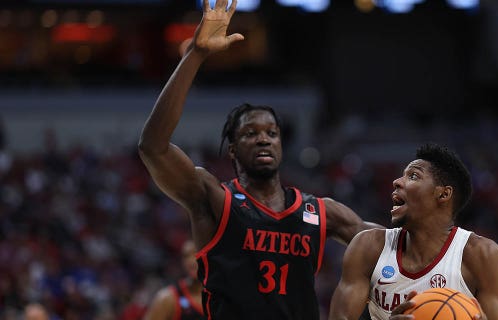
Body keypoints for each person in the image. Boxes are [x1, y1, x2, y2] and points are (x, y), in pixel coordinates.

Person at [137, 0, 380, 319]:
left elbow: (389, 248)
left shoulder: (321, 211)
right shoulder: (214, 198)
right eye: (250, 133)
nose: (263, 137)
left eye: (271, 132)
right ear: (233, 150)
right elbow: (153, 147)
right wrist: (195, 55)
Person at [328, 143, 498, 320]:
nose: (397, 182)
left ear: (443, 194)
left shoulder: (482, 255)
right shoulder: (369, 247)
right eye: (402, 176)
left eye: (413, 176)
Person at [143, 240, 204, 320]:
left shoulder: (220, 294)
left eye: (196, 254)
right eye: (186, 256)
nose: (191, 261)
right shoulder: (167, 298)